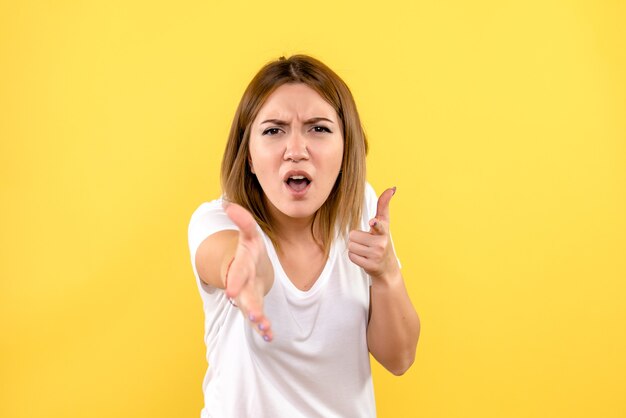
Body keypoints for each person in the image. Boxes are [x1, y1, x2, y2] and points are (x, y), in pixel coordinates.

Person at [187, 54, 420, 418]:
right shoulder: (217, 222)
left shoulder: (360, 214)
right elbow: (236, 262)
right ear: (248, 155)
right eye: (273, 130)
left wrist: (386, 273)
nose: (295, 150)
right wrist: (245, 268)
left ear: (346, 149)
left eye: (319, 128)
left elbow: (400, 358)